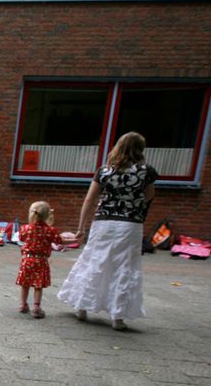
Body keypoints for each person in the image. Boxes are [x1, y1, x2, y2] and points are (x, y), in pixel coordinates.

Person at [58, 132, 157, 331]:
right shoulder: (146, 172)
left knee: (94, 260)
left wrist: (81, 227)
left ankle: (82, 307)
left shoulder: (104, 171)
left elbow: (89, 200)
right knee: (124, 267)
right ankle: (117, 316)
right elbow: (149, 196)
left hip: (103, 222)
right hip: (130, 224)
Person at [16, 201, 64, 319]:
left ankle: (23, 305)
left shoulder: (25, 228)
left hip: (27, 260)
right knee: (38, 285)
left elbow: (21, 237)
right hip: (41, 261)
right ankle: (36, 307)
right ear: (47, 215)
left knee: (25, 284)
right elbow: (59, 240)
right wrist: (75, 241)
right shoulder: (50, 230)